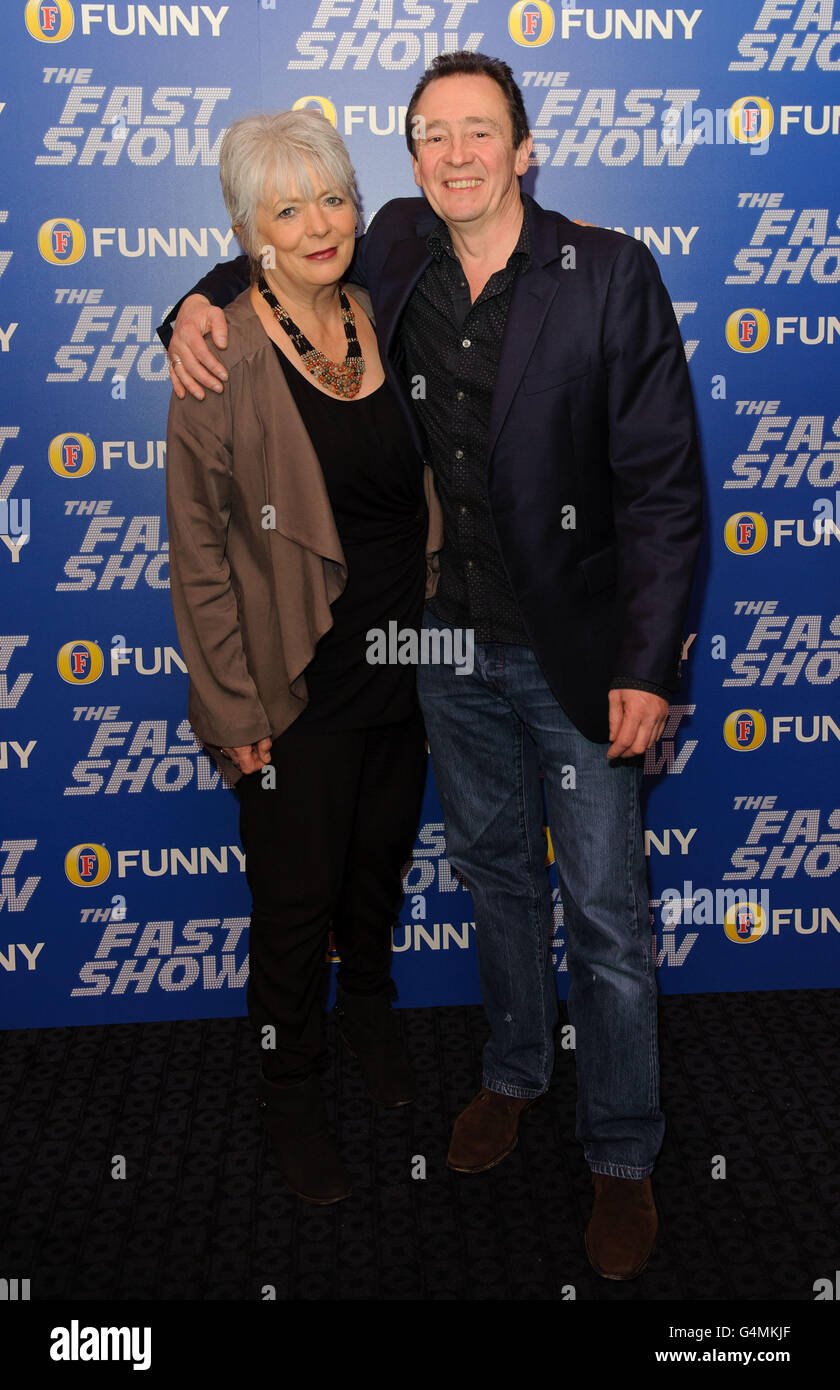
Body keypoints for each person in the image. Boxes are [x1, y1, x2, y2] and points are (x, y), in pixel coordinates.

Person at [159, 52, 702, 1278]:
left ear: (524, 149)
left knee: (608, 922)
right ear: (412, 161)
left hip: (575, 655)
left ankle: (621, 1153)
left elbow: (665, 487)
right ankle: (513, 1075)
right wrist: (189, 303)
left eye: (480, 133)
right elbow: (277, 247)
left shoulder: (608, 272)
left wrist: (649, 662)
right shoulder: (394, 245)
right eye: (430, 135)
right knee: (496, 880)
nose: (454, 154)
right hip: (442, 651)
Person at [164, 108, 442, 1206]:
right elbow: (197, 553)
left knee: (375, 875)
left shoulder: (384, 311)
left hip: (407, 665)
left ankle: (369, 1018)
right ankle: (290, 1094)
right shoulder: (217, 350)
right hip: (292, 684)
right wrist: (233, 709)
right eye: (287, 208)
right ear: (248, 230)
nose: (318, 224)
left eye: (331, 197)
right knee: (291, 906)